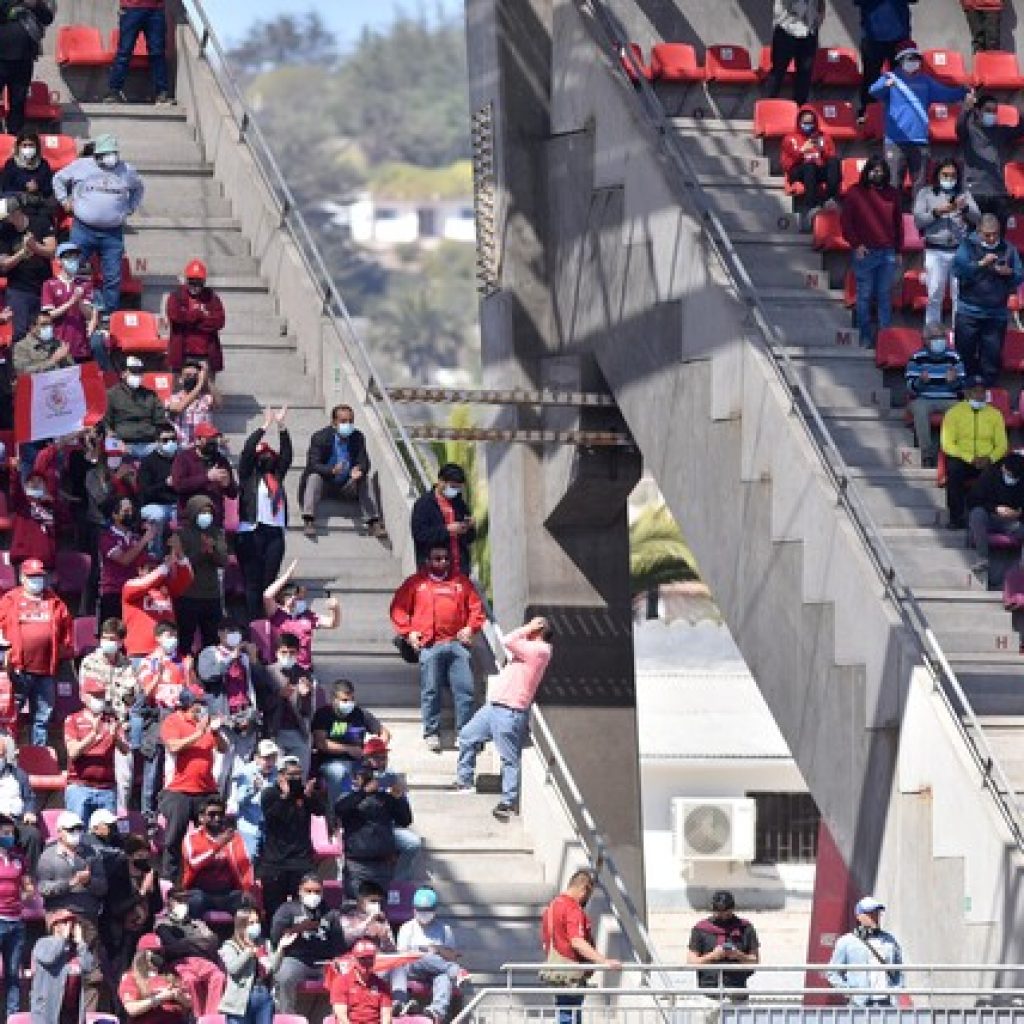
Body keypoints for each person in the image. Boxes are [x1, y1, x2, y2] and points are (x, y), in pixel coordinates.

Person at [456, 615, 553, 821]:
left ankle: (508, 802)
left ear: (540, 629)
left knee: (509, 758)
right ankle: (465, 781)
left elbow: (508, 640)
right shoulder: (528, 649)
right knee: (466, 736)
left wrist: (527, 628)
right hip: (494, 706)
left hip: (510, 711)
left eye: (533, 624)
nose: (527, 626)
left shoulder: (541, 650)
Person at [390, 544, 486, 751]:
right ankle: (431, 732)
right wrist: (408, 632)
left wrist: (470, 628)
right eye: (437, 558)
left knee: (465, 691)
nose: (442, 562)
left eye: (445, 558)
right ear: (428, 561)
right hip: (430, 646)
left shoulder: (461, 582)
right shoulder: (415, 583)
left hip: (457, 645)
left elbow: (476, 608)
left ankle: (465, 733)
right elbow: (398, 609)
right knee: (431, 690)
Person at [54, 133, 145, 319]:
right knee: (71, 269)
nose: (109, 157)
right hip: (83, 229)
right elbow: (58, 179)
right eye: (105, 154)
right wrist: (64, 201)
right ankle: (67, 309)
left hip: (112, 232)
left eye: (112, 153)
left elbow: (139, 188)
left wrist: (130, 208)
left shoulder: (127, 170)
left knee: (113, 276)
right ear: (96, 155)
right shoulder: (82, 165)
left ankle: (108, 316)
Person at [868, 41, 967, 197]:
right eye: (910, 58)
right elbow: (873, 91)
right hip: (895, 142)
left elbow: (946, 94)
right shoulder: (890, 77)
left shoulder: (926, 81)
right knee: (893, 184)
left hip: (920, 141)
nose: (914, 61)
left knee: (920, 187)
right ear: (901, 60)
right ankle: (894, 213)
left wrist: (964, 91)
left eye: (916, 58)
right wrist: (885, 85)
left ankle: (918, 213)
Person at [35, 811, 107, 1011]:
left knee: (91, 972)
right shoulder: (48, 857)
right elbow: (44, 888)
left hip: (87, 917)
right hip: (60, 918)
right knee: (56, 968)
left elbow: (103, 887)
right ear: (59, 832)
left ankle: (89, 1016)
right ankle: (55, 1015)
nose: (77, 833)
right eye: (71, 829)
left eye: (79, 829)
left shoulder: (92, 854)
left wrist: (89, 881)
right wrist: (71, 883)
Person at [0, 557, 73, 745]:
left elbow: (66, 631)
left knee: (42, 717)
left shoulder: (55, 602)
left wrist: (61, 654)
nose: (36, 580)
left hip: (46, 671)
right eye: (32, 576)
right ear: (22, 578)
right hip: (17, 669)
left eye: (39, 576)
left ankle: (38, 755)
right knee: (11, 716)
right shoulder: (9, 600)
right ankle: (9, 754)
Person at [158, 689, 228, 880]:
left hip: (206, 790)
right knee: (174, 838)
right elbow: (173, 746)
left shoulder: (205, 723)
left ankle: (206, 879)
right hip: (178, 790)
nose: (202, 708)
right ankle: (170, 881)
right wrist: (199, 732)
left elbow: (223, 748)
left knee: (211, 835)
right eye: (198, 704)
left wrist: (215, 732)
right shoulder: (173, 721)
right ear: (187, 705)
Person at [540, 868, 621, 1024]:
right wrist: (604, 961)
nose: (586, 900)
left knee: (565, 1013)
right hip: (571, 974)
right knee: (569, 1016)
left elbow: (546, 944)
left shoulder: (551, 908)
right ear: (584, 889)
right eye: (588, 895)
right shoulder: (572, 908)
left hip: (556, 972)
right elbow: (577, 941)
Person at [135, 622, 199, 820]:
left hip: (178, 715)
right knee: (153, 765)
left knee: (175, 765)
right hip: (157, 716)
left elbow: (192, 692)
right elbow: (147, 692)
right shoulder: (148, 662)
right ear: (158, 638)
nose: (172, 639)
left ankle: (171, 809)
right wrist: (159, 673)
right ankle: (148, 813)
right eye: (168, 635)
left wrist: (189, 672)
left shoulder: (182, 661)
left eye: (174, 635)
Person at [840, 155, 904, 350]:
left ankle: (885, 341)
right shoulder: (855, 192)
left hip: (887, 252)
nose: (877, 174)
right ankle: (865, 338)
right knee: (865, 296)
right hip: (865, 252)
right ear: (867, 171)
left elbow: (898, 224)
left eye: (880, 170)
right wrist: (856, 244)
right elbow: (846, 222)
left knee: (884, 296)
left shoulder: (893, 194)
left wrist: (898, 249)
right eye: (873, 170)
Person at [953, 213, 1024, 384]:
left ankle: (989, 391)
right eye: (987, 235)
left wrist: (1009, 273)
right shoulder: (967, 246)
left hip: (996, 314)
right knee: (964, 355)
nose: (992, 238)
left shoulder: (1009, 249)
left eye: (995, 234)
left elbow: (1019, 275)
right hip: (968, 312)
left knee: (991, 359)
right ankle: (964, 390)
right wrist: (980, 264)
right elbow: (958, 271)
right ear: (979, 232)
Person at [236, 409, 292, 621]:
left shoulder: (277, 476)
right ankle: (254, 622)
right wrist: (265, 425)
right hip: (252, 531)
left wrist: (282, 426)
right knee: (252, 582)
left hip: (274, 533)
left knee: (269, 582)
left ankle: (268, 622)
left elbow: (287, 455)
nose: (266, 458)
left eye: (269, 455)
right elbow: (248, 449)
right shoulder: (247, 475)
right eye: (263, 455)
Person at [299, 402, 384, 539]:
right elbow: (313, 464)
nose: (348, 425)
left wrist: (359, 469)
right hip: (326, 484)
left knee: (366, 479)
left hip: (347, 485)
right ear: (334, 422)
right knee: (314, 477)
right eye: (343, 421)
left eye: (350, 421)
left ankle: (374, 522)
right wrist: (331, 470)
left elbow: (364, 461)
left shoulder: (357, 437)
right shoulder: (320, 437)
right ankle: (309, 520)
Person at [258, 756, 327, 922]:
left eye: (299, 774)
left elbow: (320, 810)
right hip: (276, 861)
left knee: (306, 907)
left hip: (301, 859)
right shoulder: (270, 793)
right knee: (274, 909)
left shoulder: (304, 793)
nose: (296, 778)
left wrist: (310, 796)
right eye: (292, 774)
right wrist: (286, 796)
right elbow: (273, 817)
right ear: (281, 776)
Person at [913, 160, 980, 326]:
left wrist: (965, 209)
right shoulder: (926, 193)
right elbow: (918, 221)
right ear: (937, 175)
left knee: (959, 296)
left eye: (953, 176)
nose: (949, 179)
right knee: (935, 294)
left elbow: (978, 218)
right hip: (935, 250)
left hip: (959, 251)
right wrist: (937, 212)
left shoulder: (963, 194)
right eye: (945, 175)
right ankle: (932, 332)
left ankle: (958, 334)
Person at [269, 873, 345, 1014]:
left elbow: (338, 944)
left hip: (323, 962)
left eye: (317, 891)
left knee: (343, 978)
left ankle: (337, 1016)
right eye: (308, 891)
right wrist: (298, 929)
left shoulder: (331, 914)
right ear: (300, 891)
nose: (313, 895)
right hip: (296, 959)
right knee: (284, 976)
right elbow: (275, 936)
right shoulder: (287, 909)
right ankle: (286, 1016)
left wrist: (336, 960)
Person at [335, 763, 413, 899]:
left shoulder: (385, 799)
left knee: (378, 905)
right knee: (355, 904)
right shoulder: (348, 797)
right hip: (357, 865)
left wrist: (399, 797)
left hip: (382, 865)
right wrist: (364, 792)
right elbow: (340, 809)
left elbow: (405, 820)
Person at [940, 375, 1008, 530]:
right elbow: (947, 443)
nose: (979, 395)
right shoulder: (953, 413)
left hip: (987, 458)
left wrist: (990, 458)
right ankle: (956, 518)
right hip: (964, 458)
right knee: (954, 470)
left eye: (982, 391)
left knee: (998, 472)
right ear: (966, 393)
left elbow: (1002, 444)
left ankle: (991, 517)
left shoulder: (995, 414)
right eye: (975, 391)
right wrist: (970, 458)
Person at [313, 678, 390, 805]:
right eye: (344, 700)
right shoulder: (324, 714)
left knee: (385, 774)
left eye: (351, 699)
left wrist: (374, 750)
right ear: (334, 699)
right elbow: (321, 743)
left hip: (360, 761)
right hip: (331, 761)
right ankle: (336, 811)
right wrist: (348, 749)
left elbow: (384, 733)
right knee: (339, 773)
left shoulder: (360, 714)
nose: (349, 703)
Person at [196, 618, 260, 772]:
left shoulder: (244, 657)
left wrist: (254, 659)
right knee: (220, 766)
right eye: (230, 631)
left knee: (242, 767)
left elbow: (260, 682)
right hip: (222, 715)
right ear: (220, 634)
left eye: (237, 632)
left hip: (245, 715)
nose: (235, 635)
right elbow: (207, 675)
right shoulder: (210, 653)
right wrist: (231, 658)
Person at [63, 673, 128, 823]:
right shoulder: (73, 720)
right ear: (83, 696)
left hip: (106, 788)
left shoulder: (111, 720)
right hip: (79, 786)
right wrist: (93, 735)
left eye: (102, 695)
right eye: (95, 695)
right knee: (78, 829)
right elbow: (72, 752)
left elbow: (125, 750)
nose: (99, 699)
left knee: (107, 833)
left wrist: (116, 738)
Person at [392, 887, 462, 1023]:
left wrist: (437, 949)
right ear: (414, 910)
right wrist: (423, 952)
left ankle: (435, 1012)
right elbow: (402, 956)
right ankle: (456, 971)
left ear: (435, 911)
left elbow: (452, 956)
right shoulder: (407, 928)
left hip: (435, 971)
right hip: (412, 969)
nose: (424, 914)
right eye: (421, 910)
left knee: (444, 977)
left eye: (428, 911)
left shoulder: (444, 929)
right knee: (422, 956)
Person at [181, 794, 256, 920]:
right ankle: (195, 931)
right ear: (201, 817)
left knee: (246, 903)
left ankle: (243, 932)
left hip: (226, 893)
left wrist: (247, 889)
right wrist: (218, 845)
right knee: (195, 901)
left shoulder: (234, 837)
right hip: (200, 891)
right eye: (212, 814)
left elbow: (245, 866)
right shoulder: (192, 837)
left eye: (220, 814)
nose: (217, 818)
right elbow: (194, 863)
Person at [155, 889, 227, 1017]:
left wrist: (187, 943)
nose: (183, 904)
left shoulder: (198, 923)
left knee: (218, 976)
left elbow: (213, 941)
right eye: (179, 900)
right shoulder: (162, 924)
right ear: (169, 902)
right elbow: (174, 946)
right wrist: (197, 943)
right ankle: (195, 1018)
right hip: (181, 962)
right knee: (190, 980)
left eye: (185, 900)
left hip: (204, 961)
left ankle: (211, 1018)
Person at [263, 557, 341, 673]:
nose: (292, 598)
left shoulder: (307, 615)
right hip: (280, 668)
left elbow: (332, 623)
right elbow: (267, 596)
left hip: (304, 669)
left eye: (295, 595)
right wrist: (287, 576)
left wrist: (335, 610)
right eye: (288, 595)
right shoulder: (276, 613)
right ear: (281, 597)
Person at [957, 92, 1024, 225]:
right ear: (978, 111)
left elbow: (1021, 129)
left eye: (994, 111)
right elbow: (959, 127)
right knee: (972, 233)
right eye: (988, 110)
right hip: (974, 192)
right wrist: (966, 109)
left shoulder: (1001, 131)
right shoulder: (969, 130)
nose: (992, 114)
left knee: (999, 234)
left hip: (998, 192)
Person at [904, 324, 966, 468]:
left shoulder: (954, 356)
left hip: (949, 399)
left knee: (962, 410)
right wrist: (920, 382)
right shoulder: (917, 357)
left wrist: (954, 382)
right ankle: (927, 455)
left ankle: (956, 453)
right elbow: (910, 388)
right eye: (935, 337)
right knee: (920, 409)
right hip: (924, 399)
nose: (940, 340)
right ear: (926, 340)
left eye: (942, 337)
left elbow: (963, 387)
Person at [122, 540, 194, 662]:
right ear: (140, 570)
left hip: (166, 652)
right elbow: (147, 582)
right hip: (140, 654)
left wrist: (180, 555)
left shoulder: (167, 587)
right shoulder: (130, 586)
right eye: (150, 568)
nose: (154, 571)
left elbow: (187, 578)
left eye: (155, 567)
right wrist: (165, 566)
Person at [219, 906, 292, 1024]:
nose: (256, 926)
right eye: (251, 923)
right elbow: (233, 969)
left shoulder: (264, 943)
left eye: (257, 922)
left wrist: (280, 948)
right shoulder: (230, 945)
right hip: (239, 998)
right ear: (242, 925)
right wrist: (249, 951)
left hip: (263, 994)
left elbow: (273, 968)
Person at [253, 633, 315, 774]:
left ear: (298, 653)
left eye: (292, 652)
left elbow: (307, 711)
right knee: (276, 774)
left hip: (298, 732)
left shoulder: (304, 675)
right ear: (277, 652)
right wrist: (279, 696)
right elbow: (261, 705)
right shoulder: (267, 673)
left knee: (300, 774)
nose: (288, 656)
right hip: (275, 732)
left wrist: (304, 696)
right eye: (284, 652)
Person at [175, 493, 228, 653]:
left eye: (209, 512)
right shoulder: (182, 535)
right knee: (185, 638)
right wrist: (201, 552)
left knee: (212, 640)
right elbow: (182, 563)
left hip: (211, 595)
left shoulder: (217, 534)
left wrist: (212, 551)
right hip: (189, 595)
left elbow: (223, 561)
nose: (206, 515)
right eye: (202, 512)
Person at [0, 190, 56, 339]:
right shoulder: (4, 231)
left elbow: (52, 251)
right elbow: (4, 264)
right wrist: (23, 252)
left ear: (16, 212)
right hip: (19, 289)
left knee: (45, 332)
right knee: (19, 332)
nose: (6, 221)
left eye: (7, 217)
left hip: (43, 287)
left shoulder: (40, 223)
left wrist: (35, 247)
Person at [827, 895, 903, 1006]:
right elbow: (832, 973)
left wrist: (896, 991)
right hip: (860, 1004)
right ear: (859, 917)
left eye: (877, 913)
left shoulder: (890, 940)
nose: (875, 917)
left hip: (887, 1003)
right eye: (870, 913)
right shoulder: (846, 942)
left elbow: (899, 969)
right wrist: (850, 992)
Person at [41, 241, 105, 367]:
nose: (73, 261)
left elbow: (89, 315)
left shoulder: (85, 284)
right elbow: (48, 315)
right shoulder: (49, 284)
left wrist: (79, 301)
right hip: (58, 343)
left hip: (80, 343)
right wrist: (71, 302)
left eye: (75, 257)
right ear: (58, 261)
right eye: (68, 257)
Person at [686, 890, 760, 997]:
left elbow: (755, 960)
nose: (723, 915)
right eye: (719, 911)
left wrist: (738, 955)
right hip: (708, 990)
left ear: (732, 909)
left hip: (737, 989)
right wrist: (713, 956)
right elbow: (692, 962)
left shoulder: (745, 928)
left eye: (726, 911)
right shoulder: (701, 929)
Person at [966, 451, 1024, 586]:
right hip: (990, 516)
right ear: (1004, 468)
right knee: (977, 514)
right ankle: (982, 559)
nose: (1012, 479)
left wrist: (1018, 513)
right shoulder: (989, 475)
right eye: (1009, 475)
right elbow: (973, 500)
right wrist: (995, 508)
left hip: (1012, 521)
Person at [30, 909, 97, 1024]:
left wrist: (81, 943)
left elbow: (88, 967)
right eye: (66, 922)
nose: (70, 926)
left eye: (73, 923)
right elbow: (49, 958)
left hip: (71, 1013)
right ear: (55, 926)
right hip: (47, 1012)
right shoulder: (43, 943)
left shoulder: (75, 948)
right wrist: (62, 938)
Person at [780, 106, 839, 232]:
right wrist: (802, 151)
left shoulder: (823, 137)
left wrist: (823, 150)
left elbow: (831, 155)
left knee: (834, 162)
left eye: (811, 122)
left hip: (818, 168)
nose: (808, 125)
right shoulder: (790, 138)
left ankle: (830, 198)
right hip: (798, 170)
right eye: (805, 122)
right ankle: (811, 206)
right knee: (809, 166)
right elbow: (786, 164)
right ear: (799, 122)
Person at [0, 0, 54, 136]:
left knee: (18, 101)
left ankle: (14, 136)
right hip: (2, 56)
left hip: (24, 57)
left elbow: (47, 18)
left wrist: (35, 5)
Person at [411, 463, 477, 574]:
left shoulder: (459, 503)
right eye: (453, 487)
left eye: (458, 488)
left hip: (460, 570)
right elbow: (420, 535)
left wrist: (468, 527)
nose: (455, 491)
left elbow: (469, 538)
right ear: (441, 481)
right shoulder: (423, 505)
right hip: (434, 572)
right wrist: (447, 530)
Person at [854, 0, 914, 120]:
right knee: (871, 78)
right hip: (872, 36)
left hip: (900, 36)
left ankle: (901, 115)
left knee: (901, 79)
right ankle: (869, 114)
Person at [106, 0, 173, 106]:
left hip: (155, 9)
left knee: (157, 53)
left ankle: (162, 94)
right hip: (131, 8)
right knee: (124, 52)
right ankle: (114, 92)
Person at [166, 259, 226, 378]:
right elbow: (175, 317)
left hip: (206, 354)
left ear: (204, 282)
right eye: (191, 282)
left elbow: (219, 321)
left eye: (199, 283)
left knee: (208, 387)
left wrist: (190, 321)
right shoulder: (176, 296)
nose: (195, 286)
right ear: (186, 281)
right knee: (180, 387)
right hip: (183, 354)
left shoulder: (211, 297)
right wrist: (199, 315)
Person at [170, 419, 237, 524]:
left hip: (215, 519)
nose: (213, 442)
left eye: (214, 438)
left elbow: (233, 494)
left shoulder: (221, 460)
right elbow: (179, 485)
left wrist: (228, 485)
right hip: (190, 519)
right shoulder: (184, 458)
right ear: (198, 440)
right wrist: (207, 477)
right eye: (209, 439)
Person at [118, 932, 193, 1023]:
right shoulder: (131, 977)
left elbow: (190, 1003)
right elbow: (131, 1009)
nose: (158, 956)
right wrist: (160, 997)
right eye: (155, 952)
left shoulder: (170, 974)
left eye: (160, 952)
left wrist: (177, 995)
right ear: (143, 954)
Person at [227, 738, 279, 860]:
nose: (270, 762)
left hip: (269, 826)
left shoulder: (278, 773)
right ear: (256, 758)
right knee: (249, 857)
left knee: (271, 860)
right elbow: (239, 801)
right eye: (266, 758)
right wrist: (253, 790)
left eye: (273, 758)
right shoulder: (245, 772)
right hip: (249, 825)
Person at [765, 0, 824, 107]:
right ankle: (768, 108)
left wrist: (819, 16)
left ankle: (800, 109)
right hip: (786, 28)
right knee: (778, 71)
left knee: (805, 74)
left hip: (809, 30)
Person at [0, 813, 31, 1017]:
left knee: (13, 973)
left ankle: (13, 1016)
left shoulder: (19, 860)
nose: (9, 837)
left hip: (16, 922)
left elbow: (28, 886)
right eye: (5, 833)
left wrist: (25, 894)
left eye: (11, 833)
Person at [104, 356, 166, 458]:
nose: (138, 375)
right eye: (134, 371)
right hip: (123, 444)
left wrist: (161, 437)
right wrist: (114, 441)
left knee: (170, 449)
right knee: (112, 451)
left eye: (140, 372)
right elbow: (106, 425)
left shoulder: (151, 395)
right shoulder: (111, 395)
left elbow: (161, 421)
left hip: (149, 443)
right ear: (123, 374)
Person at [0, 733, 42, 869]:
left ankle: (31, 876)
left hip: (16, 822)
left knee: (33, 835)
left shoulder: (18, 774)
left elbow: (29, 798)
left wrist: (29, 811)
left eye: (1, 755)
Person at [329, 937, 393, 1024]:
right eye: (362, 959)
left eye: (370, 958)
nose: (367, 962)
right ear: (354, 959)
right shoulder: (340, 982)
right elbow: (342, 1018)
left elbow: (386, 1017)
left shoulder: (382, 985)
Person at [138, 424, 181, 547]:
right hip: (154, 504)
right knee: (158, 515)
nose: (170, 443)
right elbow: (145, 492)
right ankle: (155, 553)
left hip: (177, 504)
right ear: (157, 442)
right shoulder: (148, 462)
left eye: (173, 439)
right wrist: (165, 484)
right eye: (165, 440)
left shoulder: (181, 460)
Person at [8, 468, 56, 572]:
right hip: (23, 558)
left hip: (46, 562)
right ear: (26, 486)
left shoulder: (51, 507)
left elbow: (65, 519)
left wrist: (54, 502)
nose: (36, 484)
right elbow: (15, 489)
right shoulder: (21, 504)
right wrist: (15, 471)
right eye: (32, 481)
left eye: (39, 482)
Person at [166, 360, 216, 448]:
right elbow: (178, 408)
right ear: (180, 379)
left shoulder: (206, 398)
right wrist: (199, 384)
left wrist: (206, 377)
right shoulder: (173, 399)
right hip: (181, 447)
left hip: (201, 447)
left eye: (195, 376)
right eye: (188, 375)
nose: (192, 378)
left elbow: (218, 402)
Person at [0, 129, 55, 207]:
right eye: (24, 145)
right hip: (17, 204)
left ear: (37, 147)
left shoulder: (43, 164)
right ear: (18, 147)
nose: (28, 148)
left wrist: (38, 187)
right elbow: (6, 188)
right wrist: (24, 186)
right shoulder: (11, 164)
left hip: (39, 202)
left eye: (31, 145)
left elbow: (49, 189)